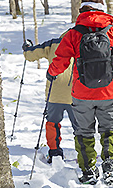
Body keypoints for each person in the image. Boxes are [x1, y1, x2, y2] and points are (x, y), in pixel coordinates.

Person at [47, 0, 113, 185]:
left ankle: (88, 170)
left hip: (82, 93)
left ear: (83, 9)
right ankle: (111, 167)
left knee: (83, 132)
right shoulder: (112, 31)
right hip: (109, 92)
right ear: (101, 9)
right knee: (110, 129)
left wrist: (51, 72)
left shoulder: (74, 33)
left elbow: (60, 60)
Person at [23, 34, 77, 163]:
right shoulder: (82, 42)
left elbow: (30, 55)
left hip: (54, 93)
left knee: (52, 123)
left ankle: (54, 153)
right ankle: (84, 154)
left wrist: (27, 48)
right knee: (80, 126)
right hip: (77, 93)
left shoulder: (53, 44)